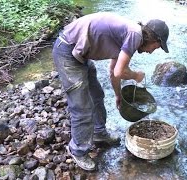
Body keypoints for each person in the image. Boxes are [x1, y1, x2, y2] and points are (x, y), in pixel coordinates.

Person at [52, 12, 169, 171]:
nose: (153, 51)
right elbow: (120, 72)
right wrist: (136, 76)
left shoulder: (130, 36)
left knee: (97, 96)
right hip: (68, 51)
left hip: (81, 54)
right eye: (158, 47)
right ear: (155, 39)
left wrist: (118, 94)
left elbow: (113, 70)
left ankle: (99, 133)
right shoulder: (134, 35)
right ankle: (78, 150)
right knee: (82, 107)